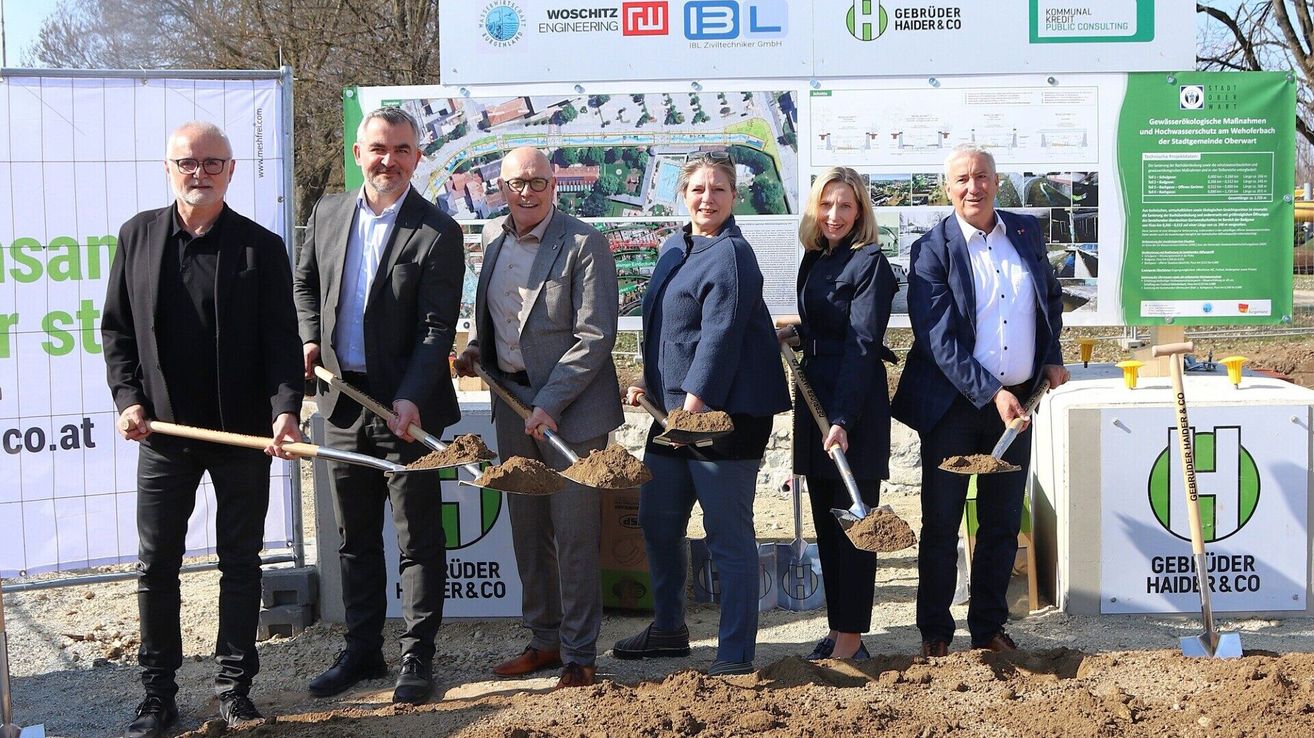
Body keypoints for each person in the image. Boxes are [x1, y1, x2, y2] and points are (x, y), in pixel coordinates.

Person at [101, 121, 303, 737]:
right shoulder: (137, 237)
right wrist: (128, 398)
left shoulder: (260, 247)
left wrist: (286, 409)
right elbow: (117, 333)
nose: (200, 173)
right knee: (155, 565)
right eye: (188, 163)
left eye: (212, 163)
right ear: (169, 168)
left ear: (231, 170)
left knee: (241, 563)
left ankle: (233, 691)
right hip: (163, 433)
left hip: (242, 434)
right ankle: (156, 695)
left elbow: (281, 342)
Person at [293, 106, 464, 704]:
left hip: (406, 413)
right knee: (353, 537)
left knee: (418, 538)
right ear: (359, 154)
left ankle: (417, 657)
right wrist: (310, 335)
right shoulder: (329, 211)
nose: (387, 160)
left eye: (401, 150)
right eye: (377, 149)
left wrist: (412, 398)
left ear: (416, 157)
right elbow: (305, 282)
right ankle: (362, 651)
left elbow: (437, 327)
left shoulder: (438, 230)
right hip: (341, 403)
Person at [612, 152, 789, 676]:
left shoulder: (734, 255)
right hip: (673, 414)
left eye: (717, 190)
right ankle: (669, 629)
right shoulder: (674, 246)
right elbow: (667, 329)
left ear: (733, 197)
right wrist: (649, 377)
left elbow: (720, 337)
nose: (707, 198)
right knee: (657, 517)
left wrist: (692, 407)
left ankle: (735, 651)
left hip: (723, 418)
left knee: (726, 533)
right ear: (683, 195)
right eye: (697, 189)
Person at [453, 146, 622, 689]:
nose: (526, 192)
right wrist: (476, 350)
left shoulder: (583, 243)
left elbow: (595, 336)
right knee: (528, 532)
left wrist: (550, 402)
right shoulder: (494, 241)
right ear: (499, 188)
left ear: (554, 185)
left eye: (537, 182)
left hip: (571, 414)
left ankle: (578, 655)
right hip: (512, 408)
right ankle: (544, 641)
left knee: (573, 534)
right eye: (515, 183)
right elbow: (500, 319)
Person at [891, 145, 1069, 657]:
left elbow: (1048, 301)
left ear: (997, 182)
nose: (974, 187)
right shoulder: (932, 249)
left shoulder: (1025, 233)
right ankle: (935, 634)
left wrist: (1051, 355)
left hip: (1017, 409)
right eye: (963, 179)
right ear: (948, 189)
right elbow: (937, 338)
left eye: (983, 177)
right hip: (954, 411)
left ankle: (988, 628)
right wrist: (993, 393)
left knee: (1001, 522)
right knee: (942, 523)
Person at [776, 167, 898, 661]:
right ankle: (839, 626)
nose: (834, 215)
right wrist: (797, 337)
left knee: (856, 519)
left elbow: (862, 344)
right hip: (815, 400)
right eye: (826, 205)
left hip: (854, 407)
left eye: (845, 206)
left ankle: (852, 636)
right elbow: (825, 328)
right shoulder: (816, 257)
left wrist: (844, 419)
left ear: (861, 212)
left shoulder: (871, 264)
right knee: (830, 520)